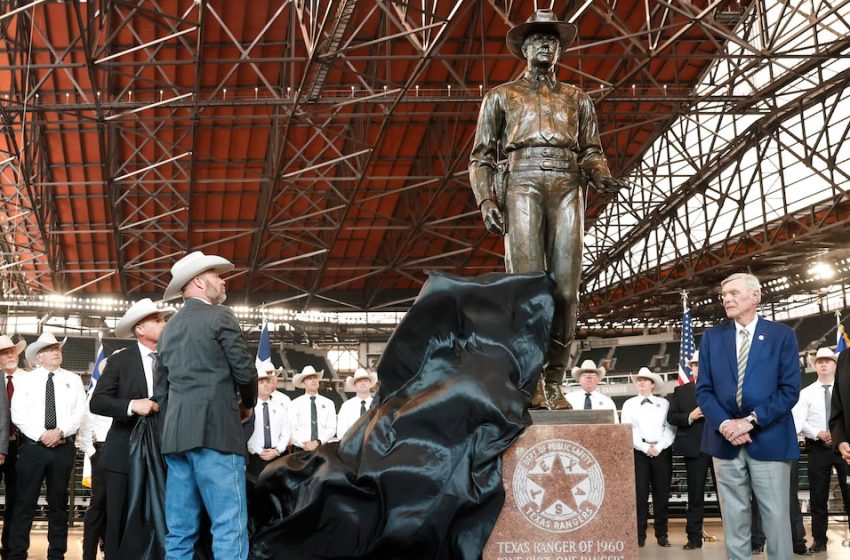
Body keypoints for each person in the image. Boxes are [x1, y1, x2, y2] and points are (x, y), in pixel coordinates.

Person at [469, 9, 624, 409]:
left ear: (559, 50)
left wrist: (600, 174)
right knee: (526, 287)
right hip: (522, 181)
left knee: (567, 290)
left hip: (568, 183)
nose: (545, 45)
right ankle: (529, 381)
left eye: (552, 41)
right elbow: (481, 156)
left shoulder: (578, 98)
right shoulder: (502, 96)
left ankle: (554, 381)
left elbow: (592, 151)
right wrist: (486, 197)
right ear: (524, 48)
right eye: (537, 40)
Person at [157, 251, 258, 560]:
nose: (222, 279)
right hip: (216, 431)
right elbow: (244, 370)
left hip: (176, 437)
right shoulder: (220, 315)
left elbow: (162, 390)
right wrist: (249, 404)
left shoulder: (167, 329)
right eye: (216, 274)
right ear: (199, 281)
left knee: (179, 529)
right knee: (229, 523)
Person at [696, 272, 801, 560]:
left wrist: (750, 422)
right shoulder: (712, 338)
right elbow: (703, 390)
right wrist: (727, 424)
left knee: (776, 519)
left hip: (769, 438)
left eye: (733, 293)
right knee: (734, 520)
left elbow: (789, 390)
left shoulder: (782, 336)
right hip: (724, 440)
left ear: (755, 296)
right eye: (723, 295)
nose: (726, 299)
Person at [89, 298, 173, 558]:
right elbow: (98, 401)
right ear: (139, 329)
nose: (164, 324)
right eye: (157, 320)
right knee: (118, 518)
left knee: (164, 516)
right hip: (124, 452)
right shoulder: (120, 360)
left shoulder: (174, 358)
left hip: (167, 451)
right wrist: (132, 405)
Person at [8, 332, 86, 560]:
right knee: (25, 503)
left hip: (63, 447)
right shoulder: (25, 380)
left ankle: (56, 554)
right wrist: (42, 435)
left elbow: (80, 412)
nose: (55, 352)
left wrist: (60, 432)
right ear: (39, 357)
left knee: (59, 504)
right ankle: (16, 554)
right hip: (32, 448)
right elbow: (18, 414)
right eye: (50, 350)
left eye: (57, 349)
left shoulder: (72, 379)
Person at [793, 347, 848, 553]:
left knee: (849, 493)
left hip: (844, 448)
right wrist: (818, 433)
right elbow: (800, 421)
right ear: (814, 366)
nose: (823, 364)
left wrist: (839, 434)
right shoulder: (805, 393)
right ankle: (819, 540)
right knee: (818, 497)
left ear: (835, 365)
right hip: (818, 448)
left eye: (828, 361)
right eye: (819, 361)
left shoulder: (845, 390)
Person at [621, 367, 674, 548]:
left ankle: (662, 534)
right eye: (639, 380)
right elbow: (628, 429)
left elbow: (670, 428)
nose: (641, 382)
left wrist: (658, 447)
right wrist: (644, 447)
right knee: (639, 495)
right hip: (639, 452)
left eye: (645, 380)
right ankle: (639, 536)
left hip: (661, 451)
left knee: (662, 495)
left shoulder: (664, 404)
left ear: (652, 384)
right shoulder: (629, 404)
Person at [666, 351, 714, 550]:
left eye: (701, 364)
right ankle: (694, 537)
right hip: (694, 448)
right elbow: (672, 417)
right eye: (695, 365)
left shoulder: (720, 389)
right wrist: (691, 416)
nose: (698, 368)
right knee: (695, 495)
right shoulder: (681, 391)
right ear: (691, 368)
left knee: (730, 496)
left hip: (720, 446)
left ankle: (739, 537)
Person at [78, 389, 112, 560]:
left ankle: (110, 551)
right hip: (101, 448)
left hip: (126, 449)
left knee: (117, 505)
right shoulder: (97, 391)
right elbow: (85, 423)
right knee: (98, 505)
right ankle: (88, 555)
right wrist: (92, 452)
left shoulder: (130, 388)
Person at [0, 335, 23, 559]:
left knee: (16, 501)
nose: (9, 355)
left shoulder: (28, 379)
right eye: (4, 352)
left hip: (21, 447)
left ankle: (9, 550)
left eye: (12, 351)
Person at [246, 369, 291, 478]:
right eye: (261, 383)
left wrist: (277, 450)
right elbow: (245, 433)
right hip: (256, 458)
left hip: (277, 457)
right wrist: (258, 450)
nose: (266, 385)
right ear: (255, 387)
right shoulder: (248, 408)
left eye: (268, 382)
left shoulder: (280, 408)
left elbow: (286, 433)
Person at [289, 365, 336, 450]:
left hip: (323, 448)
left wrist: (317, 442)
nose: (313, 380)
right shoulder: (294, 404)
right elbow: (291, 429)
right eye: (309, 378)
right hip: (301, 448)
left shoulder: (329, 403)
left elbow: (331, 428)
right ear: (303, 383)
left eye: (315, 377)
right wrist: (304, 444)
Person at [336, 368, 377, 438]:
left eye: (365, 380)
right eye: (359, 381)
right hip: (351, 446)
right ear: (355, 385)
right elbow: (341, 432)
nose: (363, 383)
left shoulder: (377, 405)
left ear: (370, 384)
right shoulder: (346, 406)